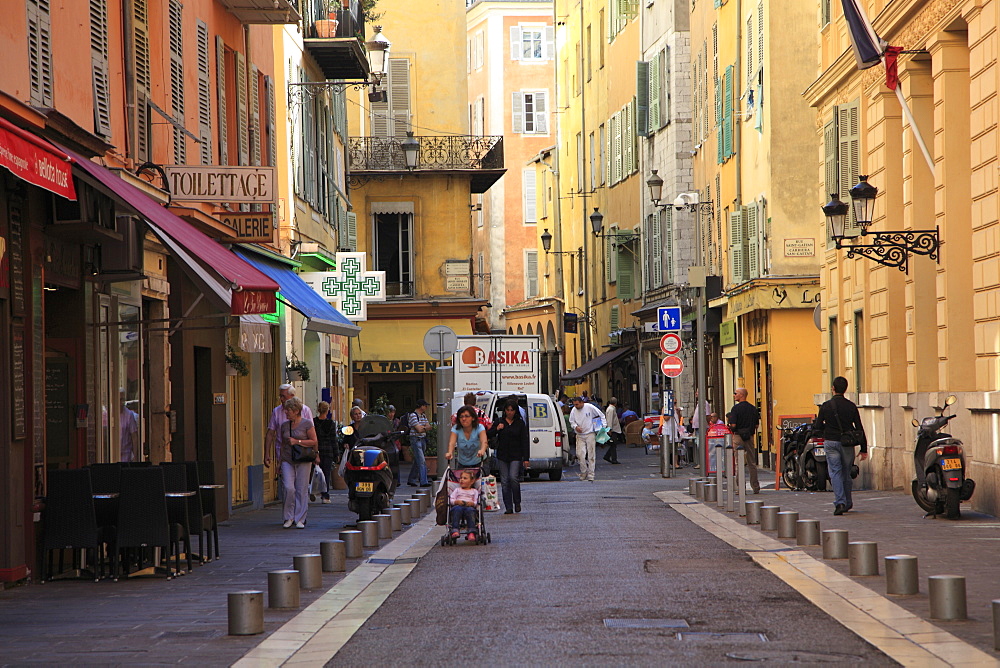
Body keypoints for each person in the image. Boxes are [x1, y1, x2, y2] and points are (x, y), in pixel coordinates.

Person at [813, 376, 868, 515]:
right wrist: (863, 448)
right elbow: (859, 428)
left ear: (833, 388)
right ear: (846, 389)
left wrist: (825, 430)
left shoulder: (825, 406)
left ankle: (840, 502)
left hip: (831, 442)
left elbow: (818, 427)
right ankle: (848, 502)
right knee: (846, 472)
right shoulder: (851, 406)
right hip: (847, 444)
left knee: (835, 472)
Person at [276, 398, 318, 529]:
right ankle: (288, 517)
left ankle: (300, 518)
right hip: (288, 459)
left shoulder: (307, 424)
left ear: (296, 411)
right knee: (288, 487)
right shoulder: (284, 425)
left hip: (303, 459)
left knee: (301, 488)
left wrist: (298, 442)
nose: (286, 413)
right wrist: (279, 462)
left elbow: (313, 441)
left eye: (288, 411)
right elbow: (282, 444)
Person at [487, 400, 530, 514]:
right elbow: (488, 434)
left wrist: (526, 458)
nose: (510, 412)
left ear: (515, 411)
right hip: (502, 455)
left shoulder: (520, 423)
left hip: (516, 455)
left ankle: (517, 502)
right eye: (507, 410)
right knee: (505, 481)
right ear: (504, 411)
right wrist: (497, 429)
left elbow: (524, 441)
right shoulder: (499, 421)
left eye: (512, 410)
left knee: (513, 478)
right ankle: (508, 506)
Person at [265, 384, 313, 471]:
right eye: (280, 396)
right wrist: (267, 453)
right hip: (283, 454)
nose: (281, 399)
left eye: (283, 396)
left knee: (301, 483)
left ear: (292, 396)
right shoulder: (277, 411)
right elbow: (270, 433)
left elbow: (312, 435)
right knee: (286, 483)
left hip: (302, 454)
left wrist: (315, 453)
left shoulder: (305, 410)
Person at [728, 388, 761, 494]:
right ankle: (755, 486)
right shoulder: (753, 408)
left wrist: (731, 427)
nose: (734, 395)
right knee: (752, 462)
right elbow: (756, 424)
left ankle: (741, 487)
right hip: (750, 436)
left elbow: (733, 425)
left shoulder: (735, 409)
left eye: (735, 393)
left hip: (738, 436)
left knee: (739, 463)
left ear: (741, 395)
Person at [569, 396, 606, 482]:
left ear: (582, 402)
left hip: (590, 434)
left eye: (577, 404)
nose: (576, 406)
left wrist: (603, 428)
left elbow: (601, 415)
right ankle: (583, 471)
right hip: (579, 435)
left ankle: (591, 474)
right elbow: (571, 421)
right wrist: (575, 427)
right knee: (580, 454)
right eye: (574, 405)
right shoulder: (574, 410)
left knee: (591, 455)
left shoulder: (590, 407)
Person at [314, 401, 339, 504]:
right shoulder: (331, 424)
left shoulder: (314, 422)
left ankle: (313, 490)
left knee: (314, 473)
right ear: (327, 410)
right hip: (328, 450)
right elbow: (333, 439)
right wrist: (336, 453)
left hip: (315, 450)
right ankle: (325, 495)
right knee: (326, 474)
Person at [449, 470, 480, 541]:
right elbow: (451, 499)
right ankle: (455, 529)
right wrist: (456, 502)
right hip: (458, 506)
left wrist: (473, 503)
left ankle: (471, 531)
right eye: (461, 478)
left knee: (471, 511)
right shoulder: (457, 490)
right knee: (456, 509)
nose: (462, 480)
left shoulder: (474, 491)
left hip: (469, 507)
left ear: (472, 481)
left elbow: (476, 501)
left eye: (465, 478)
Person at [406, 400, 432, 487]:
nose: (426, 407)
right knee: (421, 461)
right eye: (425, 405)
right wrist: (424, 427)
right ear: (421, 406)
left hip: (422, 439)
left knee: (418, 460)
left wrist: (423, 428)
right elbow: (419, 429)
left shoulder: (423, 415)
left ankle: (411, 479)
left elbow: (429, 426)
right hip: (416, 439)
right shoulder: (413, 415)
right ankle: (423, 481)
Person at [603, 397, 622, 464]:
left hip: (614, 429)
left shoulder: (611, 409)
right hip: (613, 429)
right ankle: (612, 458)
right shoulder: (611, 409)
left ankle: (608, 456)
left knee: (613, 444)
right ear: (616, 403)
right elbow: (609, 420)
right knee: (613, 444)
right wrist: (609, 429)